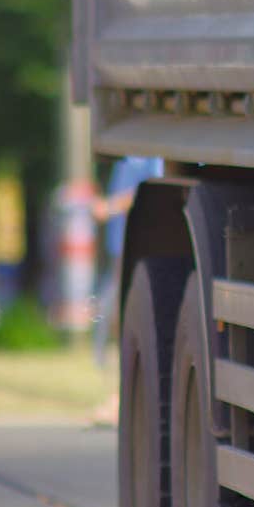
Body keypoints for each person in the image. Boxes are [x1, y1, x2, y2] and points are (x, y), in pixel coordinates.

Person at [91, 155, 163, 393]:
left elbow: (152, 189)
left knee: (123, 320)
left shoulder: (150, 154)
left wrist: (109, 206)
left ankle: (121, 395)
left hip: (136, 247)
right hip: (120, 247)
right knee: (113, 320)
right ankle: (116, 394)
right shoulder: (127, 153)